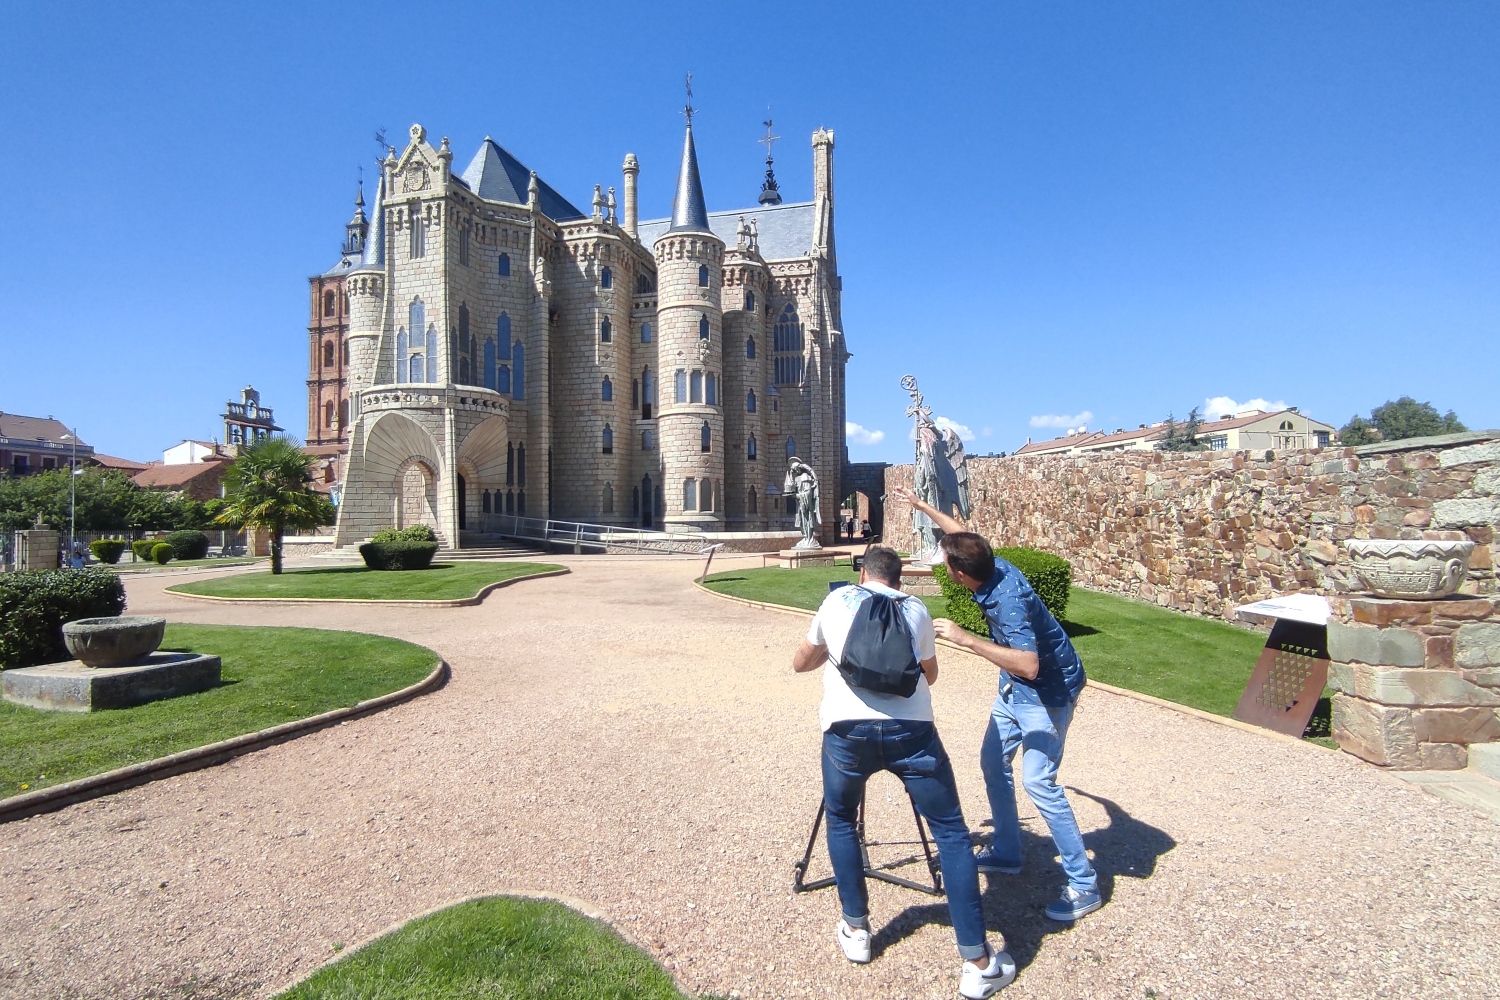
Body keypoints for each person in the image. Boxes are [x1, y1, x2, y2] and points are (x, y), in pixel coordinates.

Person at [792, 545, 1016, 997]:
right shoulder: (916, 609)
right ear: (899, 580)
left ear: (863, 575)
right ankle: (976, 960)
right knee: (951, 833)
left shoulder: (836, 602)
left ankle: (857, 931)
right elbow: (928, 675)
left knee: (841, 819)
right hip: (911, 734)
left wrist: (832, 654)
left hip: (847, 732)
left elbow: (800, 660)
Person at [890, 486, 1102, 923]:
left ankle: (1084, 884)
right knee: (992, 762)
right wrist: (922, 505)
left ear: (961, 575)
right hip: (1015, 691)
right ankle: (1007, 849)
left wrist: (967, 640)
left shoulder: (1007, 603)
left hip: (1047, 693)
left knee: (1039, 782)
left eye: (945, 565)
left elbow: (1027, 663)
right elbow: (964, 535)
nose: (943, 567)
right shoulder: (992, 564)